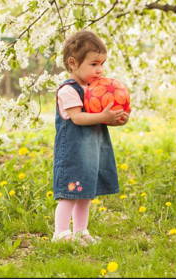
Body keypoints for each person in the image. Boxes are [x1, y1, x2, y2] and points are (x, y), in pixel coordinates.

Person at [52, 30, 130, 245]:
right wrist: (102, 116)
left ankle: (80, 231)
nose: (100, 70)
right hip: (73, 153)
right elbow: (77, 118)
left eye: (102, 64)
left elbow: (100, 117)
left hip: (91, 152)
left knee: (85, 193)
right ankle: (60, 233)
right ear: (73, 62)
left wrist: (115, 118)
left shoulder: (96, 90)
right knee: (69, 193)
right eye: (94, 64)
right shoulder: (68, 90)